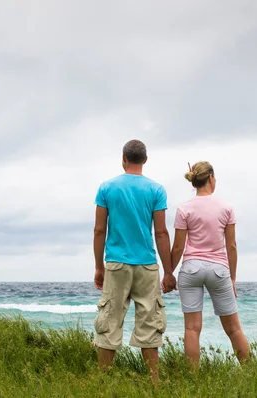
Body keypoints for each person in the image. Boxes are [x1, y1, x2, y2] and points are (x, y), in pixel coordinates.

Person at [92, 139, 177, 382]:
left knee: (110, 321)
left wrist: (99, 267)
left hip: (116, 264)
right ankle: (154, 383)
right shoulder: (156, 190)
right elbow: (161, 233)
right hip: (147, 265)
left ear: (123, 158)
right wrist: (169, 272)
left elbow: (99, 230)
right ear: (145, 160)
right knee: (150, 323)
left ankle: (102, 382)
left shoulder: (106, 188)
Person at [170, 161, 250, 366]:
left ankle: (193, 380)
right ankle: (251, 373)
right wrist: (232, 277)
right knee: (233, 329)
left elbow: (178, 247)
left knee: (192, 329)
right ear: (211, 178)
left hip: (191, 268)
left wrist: (168, 273)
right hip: (218, 269)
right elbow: (231, 246)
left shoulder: (184, 209)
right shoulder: (226, 208)